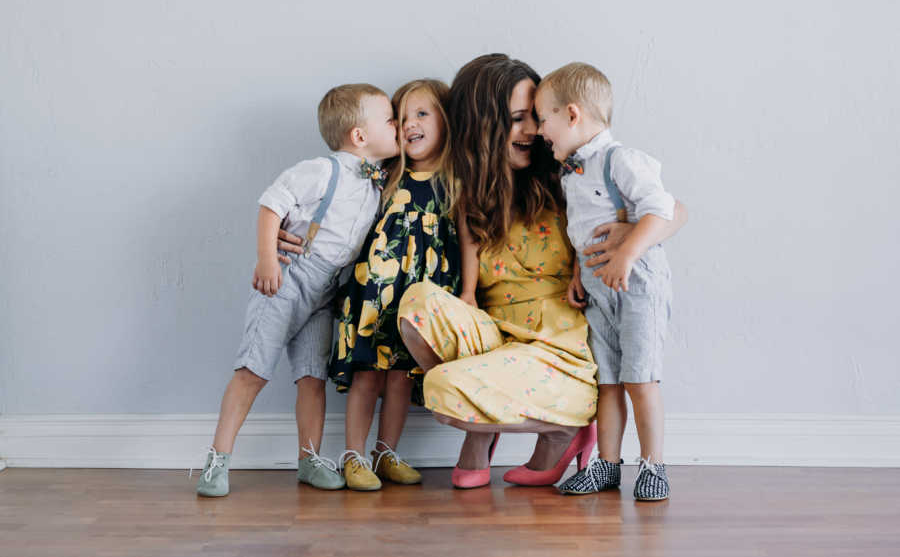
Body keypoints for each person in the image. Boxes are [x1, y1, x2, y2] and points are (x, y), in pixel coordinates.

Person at [396, 53, 687, 489]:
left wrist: (628, 234)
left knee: (444, 386)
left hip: (558, 351)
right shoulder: (470, 191)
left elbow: (674, 209)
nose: (533, 130)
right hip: (497, 338)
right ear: (484, 125)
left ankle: (560, 430)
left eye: (536, 117)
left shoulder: (568, 172)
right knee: (417, 302)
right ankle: (489, 424)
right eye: (518, 119)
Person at [195, 84, 397, 497]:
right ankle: (217, 460)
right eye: (390, 119)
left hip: (327, 291)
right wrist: (268, 258)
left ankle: (309, 459)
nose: (397, 124)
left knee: (312, 376)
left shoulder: (377, 184)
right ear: (359, 136)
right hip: (290, 278)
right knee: (253, 369)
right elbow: (273, 204)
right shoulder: (322, 170)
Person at [535, 62, 678, 501]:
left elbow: (661, 210)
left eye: (544, 119)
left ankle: (653, 464)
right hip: (598, 286)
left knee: (641, 378)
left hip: (636, 283)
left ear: (572, 114)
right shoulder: (571, 172)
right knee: (609, 382)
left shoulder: (622, 160)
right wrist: (581, 272)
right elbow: (585, 231)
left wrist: (627, 255)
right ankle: (607, 465)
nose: (542, 131)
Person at [328, 79, 461, 491]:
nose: (409, 125)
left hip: (421, 296)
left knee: (402, 373)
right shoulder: (385, 173)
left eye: (422, 114)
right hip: (375, 292)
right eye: (400, 118)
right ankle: (352, 454)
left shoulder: (456, 180)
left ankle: (385, 452)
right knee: (368, 371)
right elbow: (342, 211)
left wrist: (467, 292)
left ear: (446, 120)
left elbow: (471, 239)